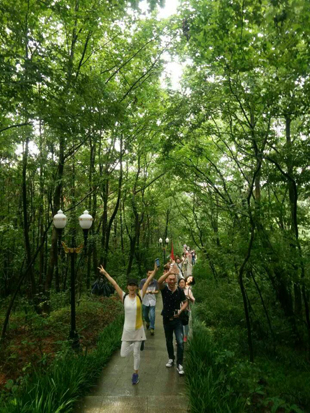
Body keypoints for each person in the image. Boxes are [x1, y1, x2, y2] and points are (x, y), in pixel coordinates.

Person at [98, 262, 158, 385]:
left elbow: (146, 282)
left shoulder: (140, 296)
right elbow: (114, 284)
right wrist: (105, 273)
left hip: (138, 329)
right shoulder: (124, 297)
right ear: (127, 287)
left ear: (136, 287)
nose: (131, 287)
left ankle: (135, 374)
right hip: (127, 330)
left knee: (136, 354)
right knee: (123, 354)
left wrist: (155, 271)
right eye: (130, 285)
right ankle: (138, 345)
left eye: (134, 286)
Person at [158, 263, 188, 376]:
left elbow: (185, 302)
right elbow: (158, 282)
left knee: (180, 342)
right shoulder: (164, 290)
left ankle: (179, 364)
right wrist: (169, 272)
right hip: (166, 319)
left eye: (173, 279)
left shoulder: (180, 291)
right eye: (169, 279)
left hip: (177, 320)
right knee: (168, 340)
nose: (171, 281)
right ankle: (171, 358)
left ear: (175, 280)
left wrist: (180, 311)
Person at [183, 276, 195, 342]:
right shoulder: (181, 287)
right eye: (189, 277)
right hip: (178, 308)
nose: (189, 279)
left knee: (185, 324)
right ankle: (179, 337)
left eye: (191, 279)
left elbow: (193, 299)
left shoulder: (189, 289)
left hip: (186, 309)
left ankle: (185, 336)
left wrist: (189, 298)